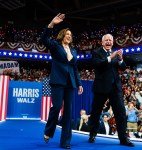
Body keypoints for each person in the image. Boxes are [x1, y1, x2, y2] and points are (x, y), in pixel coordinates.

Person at [40, 13, 83, 149]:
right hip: (58, 81)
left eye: (70, 35)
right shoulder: (55, 46)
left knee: (68, 113)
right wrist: (51, 24)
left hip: (71, 83)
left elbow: (75, 68)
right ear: (62, 35)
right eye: (67, 34)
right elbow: (43, 39)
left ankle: (65, 142)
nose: (69, 36)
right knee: (57, 106)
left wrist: (79, 83)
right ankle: (48, 131)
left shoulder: (74, 51)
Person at [88, 34, 134, 147]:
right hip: (101, 87)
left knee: (121, 113)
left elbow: (122, 67)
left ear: (112, 42)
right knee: (95, 112)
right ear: (102, 42)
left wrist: (120, 59)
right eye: (106, 40)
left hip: (115, 88)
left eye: (110, 40)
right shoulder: (97, 53)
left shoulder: (115, 54)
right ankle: (92, 134)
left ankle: (123, 139)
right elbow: (97, 64)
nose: (108, 42)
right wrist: (110, 57)